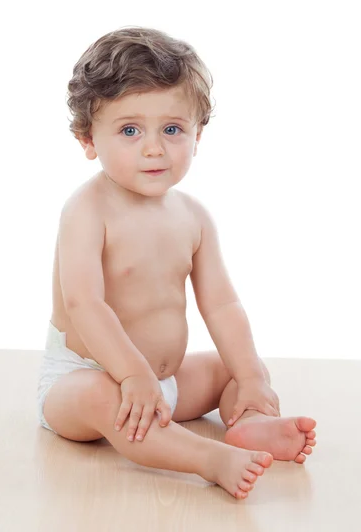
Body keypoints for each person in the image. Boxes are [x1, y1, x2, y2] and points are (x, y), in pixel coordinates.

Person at [37, 26, 317, 500]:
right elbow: (84, 303)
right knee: (98, 397)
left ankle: (250, 422)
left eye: (172, 129)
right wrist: (130, 374)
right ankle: (207, 458)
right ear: (88, 139)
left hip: (164, 383)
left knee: (235, 368)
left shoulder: (193, 217)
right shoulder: (87, 210)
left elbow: (222, 305)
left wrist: (250, 376)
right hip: (87, 378)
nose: (154, 148)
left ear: (197, 134)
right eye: (130, 130)